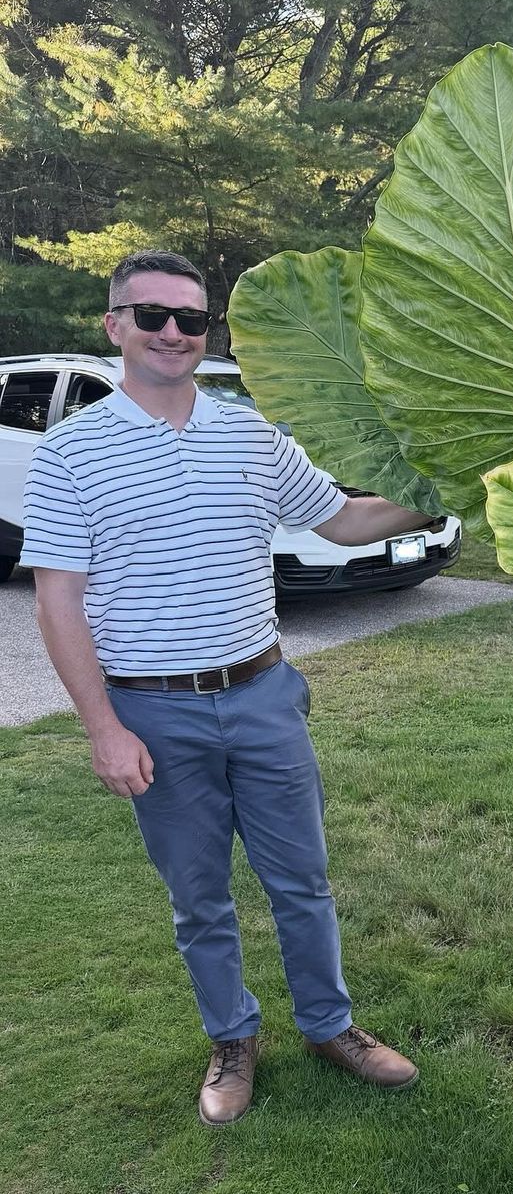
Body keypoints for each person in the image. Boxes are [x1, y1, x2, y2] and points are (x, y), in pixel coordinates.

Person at [21, 250, 424, 1126]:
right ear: (114, 324)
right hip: (153, 710)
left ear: (208, 333)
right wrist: (102, 729)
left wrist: (433, 495)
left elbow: (344, 519)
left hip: (264, 694)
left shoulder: (250, 432)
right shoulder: (71, 454)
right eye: (153, 315)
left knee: (303, 882)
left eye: (191, 320)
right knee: (199, 896)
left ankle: (330, 1026)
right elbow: (58, 600)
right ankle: (232, 1040)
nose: (173, 333)